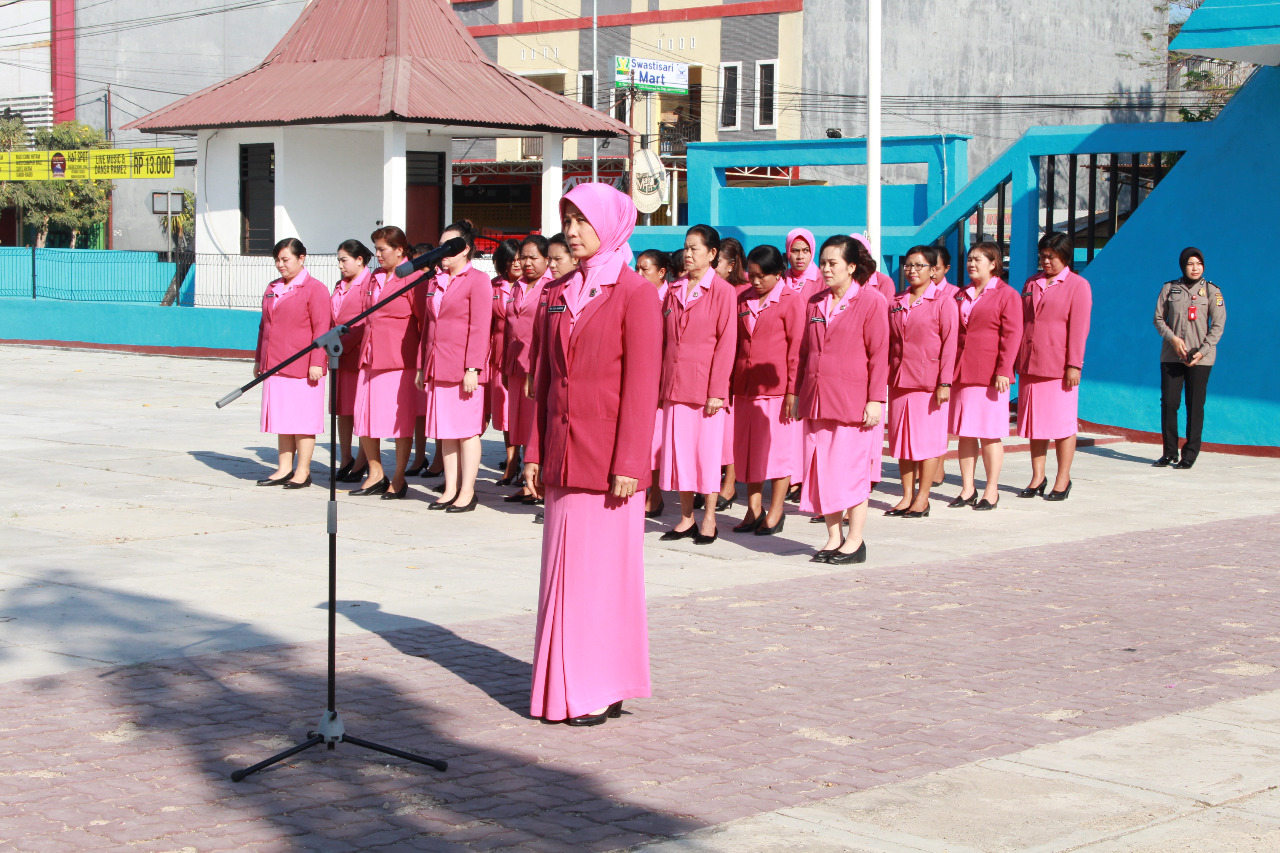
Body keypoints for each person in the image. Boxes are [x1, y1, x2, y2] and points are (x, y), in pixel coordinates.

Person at [524, 182, 662, 726]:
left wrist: (631, 462)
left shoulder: (635, 293)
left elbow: (642, 384)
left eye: (582, 220)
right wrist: (534, 450)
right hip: (562, 455)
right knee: (563, 576)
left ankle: (597, 686)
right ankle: (570, 683)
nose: (573, 231)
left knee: (602, 580)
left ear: (609, 224)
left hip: (609, 465)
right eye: (567, 220)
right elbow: (544, 381)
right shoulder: (557, 292)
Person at [794, 235, 888, 563]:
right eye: (823, 263)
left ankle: (856, 540)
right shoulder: (815, 302)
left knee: (851, 473)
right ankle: (833, 537)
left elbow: (879, 354)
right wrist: (797, 393)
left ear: (851, 266)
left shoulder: (871, 301)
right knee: (824, 471)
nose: (825, 268)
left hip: (852, 402)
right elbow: (805, 354)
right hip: (817, 399)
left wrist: (875, 399)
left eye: (833, 263)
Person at [657, 224, 736, 545]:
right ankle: (686, 517)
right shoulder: (673, 290)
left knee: (705, 455)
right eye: (686, 248)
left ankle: (709, 519)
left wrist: (718, 390)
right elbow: (664, 342)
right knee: (680, 455)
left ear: (712, 254)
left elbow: (726, 343)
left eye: (695, 249)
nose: (688, 255)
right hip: (675, 388)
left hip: (706, 392)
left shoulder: (723, 292)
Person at [415, 220, 491, 513]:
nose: (442, 251)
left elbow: (481, 326)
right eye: (441, 245)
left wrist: (473, 367)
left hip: (463, 369)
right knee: (445, 431)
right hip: (438, 366)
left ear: (466, 250)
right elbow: (427, 328)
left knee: (467, 431)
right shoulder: (434, 281)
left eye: (450, 246)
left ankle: (467, 491)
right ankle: (449, 488)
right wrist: (423, 365)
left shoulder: (478, 280)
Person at [732, 244, 804, 535]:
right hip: (746, 386)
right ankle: (753, 508)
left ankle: (776, 510)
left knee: (777, 452)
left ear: (778, 274)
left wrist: (792, 391)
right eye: (752, 275)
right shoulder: (743, 299)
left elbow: (797, 349)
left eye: (762, 276)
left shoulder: (791, 301)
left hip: (776, 390)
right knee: (748, 451)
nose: (756, 281)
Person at [1016, 231, 1092, 500]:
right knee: (1035, 424)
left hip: (1059, 366)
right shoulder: (1031, 282)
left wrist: (1074, 364)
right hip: (1030, 362)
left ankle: (1063, 477)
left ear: (1065, 256)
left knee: (1061, 424)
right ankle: (1038, 476)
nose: (1046, 261)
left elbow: (1079, 328)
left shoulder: (1077, 285)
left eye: (1051, 256)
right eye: (1043, 256)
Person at [885, 245, 958, 518]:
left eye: (919, 266)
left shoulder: (942, 301)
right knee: (903, 441)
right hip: (900, 380)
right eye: (908, 265)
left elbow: (950, 344)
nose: (912, 271)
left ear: (932, 270)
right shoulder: (896, 301)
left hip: (929, 383)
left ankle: (923, 497)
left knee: (926, 442)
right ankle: (906, 496)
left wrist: (945, 382)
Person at [351, 226, 424, 499]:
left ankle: (398, 476)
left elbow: (422, 322)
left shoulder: (414, 277)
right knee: (365, 417)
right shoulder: (374, 278)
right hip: (370, 357)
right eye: (377, 248)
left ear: (399, 250)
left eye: (382, 249)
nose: (377, 254)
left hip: (398, 360)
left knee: (399, 421)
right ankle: (375, 472)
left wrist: (420, 362)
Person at [949, 242, 1022, 510]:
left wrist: (1005, 369)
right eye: (969, 259)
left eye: (978, 259)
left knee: (989, 433)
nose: (971, 264)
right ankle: (968, 488)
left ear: (994, 264)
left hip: (991, 374)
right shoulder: (961, 293)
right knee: (966, 433)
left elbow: (1012, 335)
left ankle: (992, 489)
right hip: (962, 371)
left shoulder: (1007, 295)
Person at [254, 238, 331, 489]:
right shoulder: (272, 287)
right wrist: (259, 358)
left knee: (303, 420)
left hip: (302, 366)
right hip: (275, 363)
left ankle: (303, 470)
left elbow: (322, 328)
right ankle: (284, 468)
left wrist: (317, 361)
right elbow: (264, 326)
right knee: (283, 419)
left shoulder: (314, 289)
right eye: (277, 260)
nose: (280, 265)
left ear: (301, 258)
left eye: (285, 260)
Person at [1153, 247, 1225, 469]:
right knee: (1169, 403)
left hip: (1200, 359)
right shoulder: (1170, 288)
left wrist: (1202, 351)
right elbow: (1158, 319)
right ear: (1183, 266)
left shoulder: (1212, 291)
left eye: (1199, 263)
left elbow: (1218, 326)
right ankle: (1169, 452)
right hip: (1172, 355)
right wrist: (1173, 339)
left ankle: (1190, 454)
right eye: (1190, 264)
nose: (1195, 268)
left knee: (1195, 405)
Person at [502, 235, 554, 503]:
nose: (527, 263)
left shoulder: (551, 286)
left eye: (534, 257)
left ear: (547, 259)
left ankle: (542, 481)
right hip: (514, 364)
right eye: (524, 257)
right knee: (519, 425)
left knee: (537, 424)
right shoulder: (516, 286)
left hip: (537, 366)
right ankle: (527, 480)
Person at [713, 236, 751, 511]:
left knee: (731, 431)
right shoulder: (709, 288)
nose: (712, 266)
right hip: (714, 367)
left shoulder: (744, 291)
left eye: (718, 262)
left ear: (732, 264)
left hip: (736, 367)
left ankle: (730, 484)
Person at [331, 239, 374, 482]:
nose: (340, 265)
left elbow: (363, 323)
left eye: (343, 260)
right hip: (338, 355)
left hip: (356, 354)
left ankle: (361, 459)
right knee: (342, 410)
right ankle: (345, 456)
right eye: (338, 260)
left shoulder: (369, 283)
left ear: (359, 260)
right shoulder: (340, 285)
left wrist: (343, 346)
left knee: (359, 410)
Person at [636, 249, 672, 517]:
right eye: (636, 268)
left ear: (661, 273)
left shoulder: (671, 298)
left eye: (644, 269)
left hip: (662, 375)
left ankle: (656, 494)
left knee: (656, 438)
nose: (638, 274)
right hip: (639, 372)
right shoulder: (637, 296)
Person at [489, 238, 523, 486]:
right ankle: (511, 459)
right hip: (498, 351)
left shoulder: (533, 285)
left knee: (526, 407)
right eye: (512, 259)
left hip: (523, 351)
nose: (518, 264)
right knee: (505, 410)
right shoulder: (493, 286)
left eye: (520, 258)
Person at [782, 228, 823, 299]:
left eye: (805, 250)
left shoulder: (822, 281)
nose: (800, 256)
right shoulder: (782, 279)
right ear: (788, 253)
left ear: (812, 252)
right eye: (795, 251)